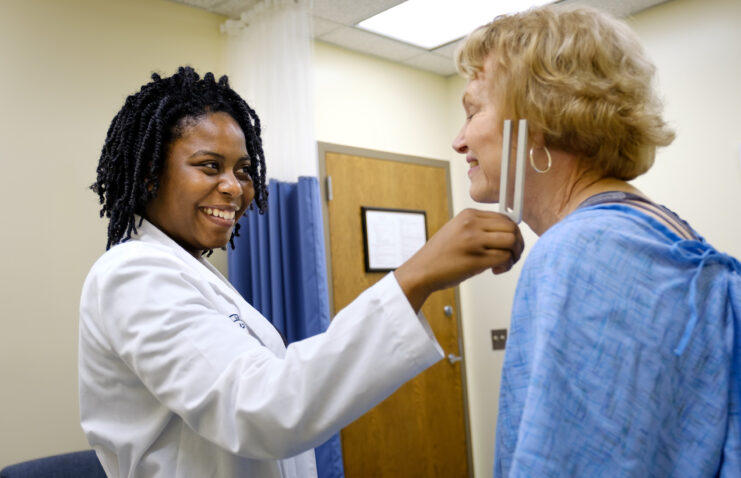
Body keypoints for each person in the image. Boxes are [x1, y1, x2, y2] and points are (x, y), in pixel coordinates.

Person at [79, 66, 524, 478]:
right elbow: (262, 408)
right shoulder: (132, 274)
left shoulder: (191, 272)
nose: (234, 187)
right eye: (210, 166)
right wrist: (416, 277)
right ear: (149, 176)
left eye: (244, 170)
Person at [452, 5, 740, 477]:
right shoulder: (653, 233)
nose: (459, 141)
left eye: (473, 110)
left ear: (537, 119)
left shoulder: (581, 252)